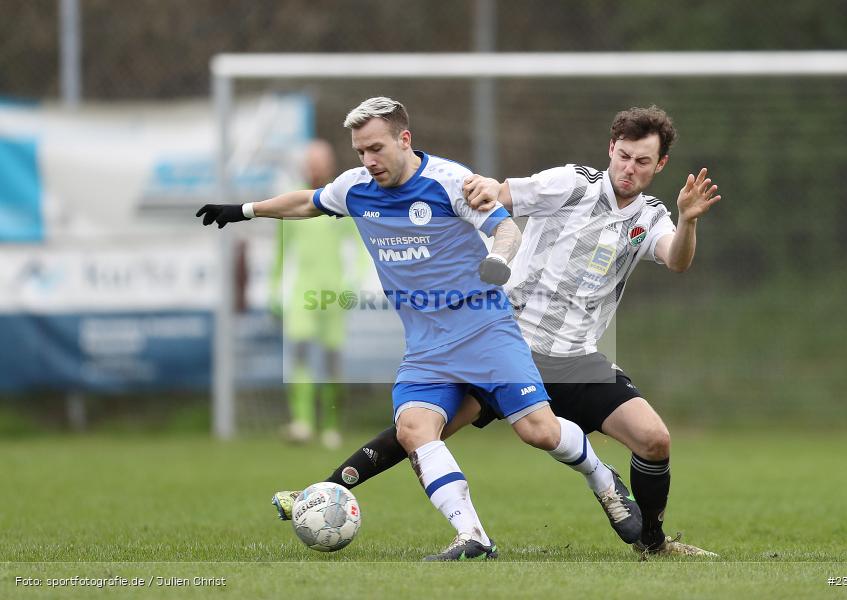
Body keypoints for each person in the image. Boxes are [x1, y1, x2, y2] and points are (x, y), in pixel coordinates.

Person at [197, 97, 639, 561]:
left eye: (376, 148)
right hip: (427, 347)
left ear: (404, 139)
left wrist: (497, 259)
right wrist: (245, 210)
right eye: (360, 151)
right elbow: (308, 202)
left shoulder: (449, 182)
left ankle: (603, 479)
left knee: (539, 432)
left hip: (485, 330)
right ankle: (472, 536)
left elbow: (507, 230)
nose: (368, 160)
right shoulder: (355, 188)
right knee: (413, 429)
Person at [273, 105, 722, 558]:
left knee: (654, 439)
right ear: (611, 149)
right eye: (623, 156)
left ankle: (654, 544)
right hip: (507, 340)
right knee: (418, 430)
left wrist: (688, 219)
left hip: (576, 357)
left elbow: (677, 259)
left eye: (642, 161)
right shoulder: (571, 183)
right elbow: (499, 194)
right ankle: (319, 493)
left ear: (660, 164)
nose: (629, 168)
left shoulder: (651, 216)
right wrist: (481, 188)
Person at [269, 140, 357, 448]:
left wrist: (353, 282)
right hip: (302, 292)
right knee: (300, 353)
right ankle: (303, 423)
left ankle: (331, 426)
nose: (316, 168)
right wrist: (273, 288)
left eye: (321, 162)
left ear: (330, 165)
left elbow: (359, 246)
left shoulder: (340, 201)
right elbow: (281, 250)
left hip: (332, 293)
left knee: (332, 361)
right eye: (311, 162)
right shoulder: (293, 202)